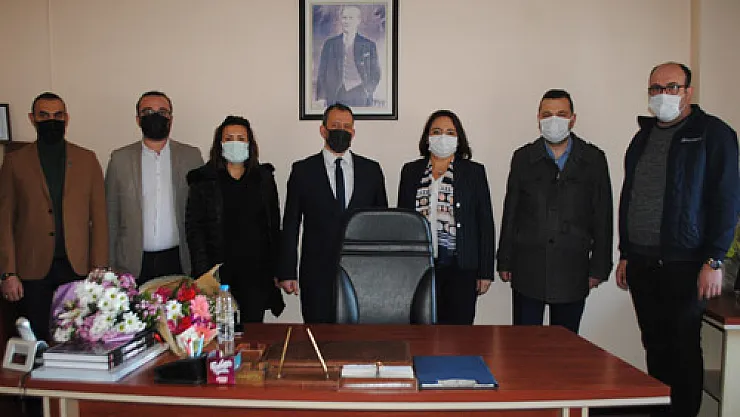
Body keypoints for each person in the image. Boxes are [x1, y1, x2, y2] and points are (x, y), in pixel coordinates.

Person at [616, 62, 739, 417]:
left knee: (683, 349)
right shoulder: (642, 138)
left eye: (671, 87)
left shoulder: (713, 134)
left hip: (686, 264)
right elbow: (631, 197)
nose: (662, 95)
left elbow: (727, 200)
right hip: (642, 262)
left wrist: (714, 259)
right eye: (655, 88)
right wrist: (626, 253)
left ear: (688, 91)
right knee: (654, 346)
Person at [496, 89, 613, 334]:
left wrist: (599, 267)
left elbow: (603, 217)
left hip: (573, 268)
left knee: (565, 345)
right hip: (528, 267)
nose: (554, 120)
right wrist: (504, 259)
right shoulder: (523, 158)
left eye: (561, 114)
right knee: (525, 344)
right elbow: (511, 212)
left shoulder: (593, 159)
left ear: (573, 119)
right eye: (547, 114)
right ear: (538, 118)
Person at [0, 92, 108, 342]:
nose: (52, 120)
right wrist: (8, 273)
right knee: (37, 340)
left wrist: (99, 268)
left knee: (78, 340)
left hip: (77, 268)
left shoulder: (87, 159)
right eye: (44, 115)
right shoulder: (15, 162)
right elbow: (4, 221)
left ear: (66, 118)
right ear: (32, 118)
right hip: (32, 269)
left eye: (58, 115)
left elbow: (99, 219)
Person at [278, 103, 388, 323]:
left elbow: (381, 224)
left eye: (347, 127)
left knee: (360, 337)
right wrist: (287, 271)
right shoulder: (303, 171)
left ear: (353, 132)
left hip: (362, 274)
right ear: (323, 130)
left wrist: (383, 271)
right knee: (318, 335)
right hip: (316, 273)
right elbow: (291, 224)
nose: (341, 131)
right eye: (335, 126)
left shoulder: (371, 170)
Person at [397, 110, 495, 325]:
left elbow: (485, 223)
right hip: (419, 267)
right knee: (420, 330)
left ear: (459, 139)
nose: (443, 137)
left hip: (461, 267)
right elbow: (403, 221)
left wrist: (486, 272)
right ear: (427, 137)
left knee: (457, 333)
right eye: (437, 131)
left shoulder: (474, 172)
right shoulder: (411, 171)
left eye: (450, 132)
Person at [185, 116, 285, 323]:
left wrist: (278, 269)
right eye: (229, 138)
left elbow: (274, 226)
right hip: (219, 273)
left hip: (256, 272)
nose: (235, 143)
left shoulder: (264, 178)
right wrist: (203, 274)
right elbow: (195, 230)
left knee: (252, 330)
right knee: (220, 329)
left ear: (249, 144)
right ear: (220, 143)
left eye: (241, 138)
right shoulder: (203, 180)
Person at [106, 91, 203, 284]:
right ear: (138, 119)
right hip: (133, 263)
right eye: (148, 111)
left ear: (171, 119)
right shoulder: (120, 159)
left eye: (162, 112)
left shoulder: (191, 157)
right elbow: (111, 215)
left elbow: (201, 212)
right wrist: (110, 266)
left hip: (179, 260)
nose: (155, 116)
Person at [316, 5, 381, 107]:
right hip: (335, 95)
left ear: (358, 20)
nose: (347, 21)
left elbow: (376, 73)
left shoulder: (369, 45)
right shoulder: (330, 44)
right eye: (344, 18)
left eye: (350, 18)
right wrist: (321, 97)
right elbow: (322, 72)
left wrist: (367, 90)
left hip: (360, 94)